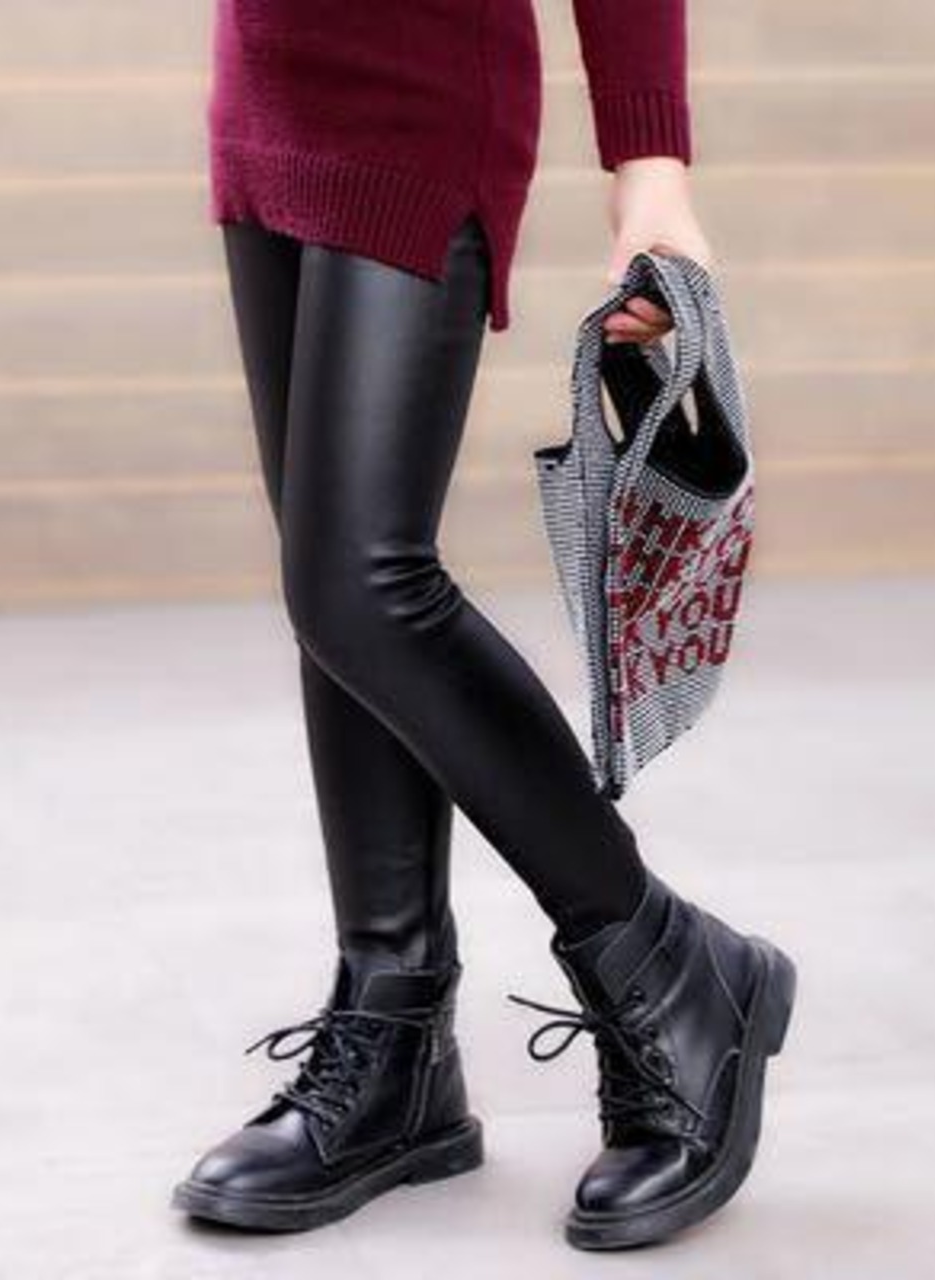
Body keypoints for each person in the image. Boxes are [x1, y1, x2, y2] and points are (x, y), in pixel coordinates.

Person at [171, 0, 796, 1251]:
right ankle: (395, 1042)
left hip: (416, 89)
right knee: (327, 596)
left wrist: (649, 163)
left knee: (359, 581)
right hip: (267, 84)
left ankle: (666, 960)